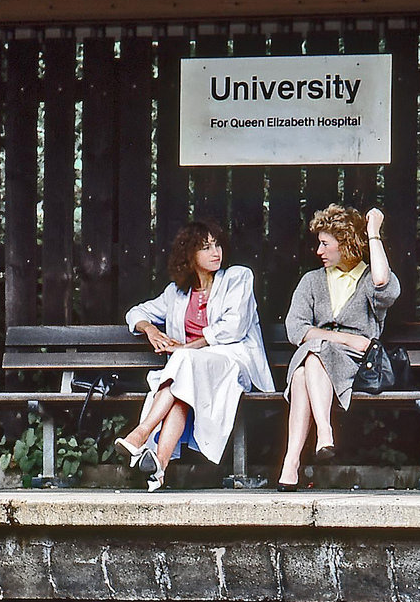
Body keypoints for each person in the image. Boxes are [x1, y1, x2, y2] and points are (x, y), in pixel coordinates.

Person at [117, 220, 274, 491]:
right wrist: (151, 329)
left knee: (183, 365)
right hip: (189, 372)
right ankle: (160, 467)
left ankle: (141, 433)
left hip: (233, 362)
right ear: (189, 255)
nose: (216, 252)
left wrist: (186, 348)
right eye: (205, 247)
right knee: (182, 385)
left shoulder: (238, 277)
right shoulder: (176, 293)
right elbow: (136, 313)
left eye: (217, 245)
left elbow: (233, 328)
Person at [276, 204, 400, 490]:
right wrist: (344, 338)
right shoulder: (311, 281)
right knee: (309, 362)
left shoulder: (369, 278)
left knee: (304, 369)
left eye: (325, 244)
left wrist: (373, 234)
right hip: (319, 354)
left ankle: (291, 462)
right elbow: (296, 329)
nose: (318, 251)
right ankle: (323, 432)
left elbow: (385, 284)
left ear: (345, 243)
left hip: (354, 363)